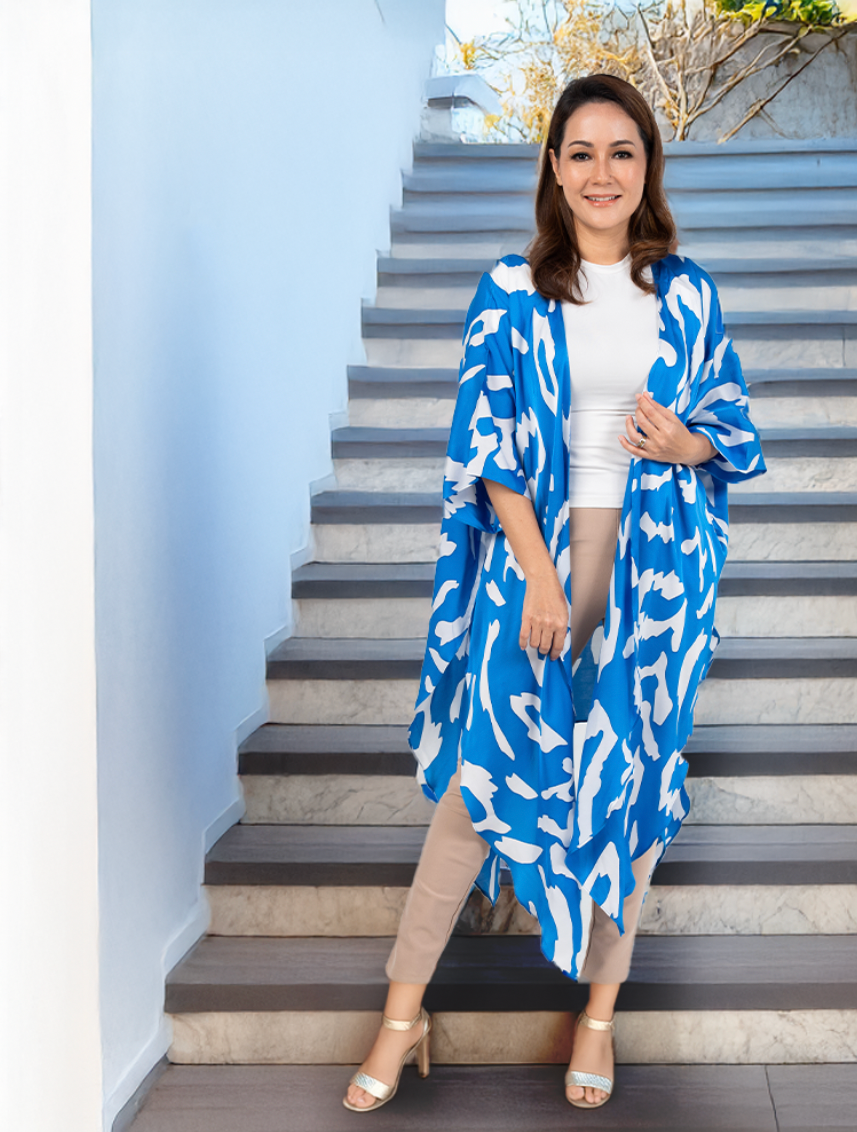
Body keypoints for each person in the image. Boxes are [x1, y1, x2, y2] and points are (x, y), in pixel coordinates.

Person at [343, 72, 765, 1114]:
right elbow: (483, 443)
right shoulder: (509, 287)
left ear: (646, 166)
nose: (601, 172)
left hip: (654, 570)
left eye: (621, 151)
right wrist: (533, 571)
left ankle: (596, 1018)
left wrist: (686, 438)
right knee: (475, 786)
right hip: (538, 552)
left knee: (626, 789)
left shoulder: (690, 291)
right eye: (580, 151)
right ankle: (401, 1017)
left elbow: (734, 425)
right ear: (551, 167)